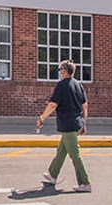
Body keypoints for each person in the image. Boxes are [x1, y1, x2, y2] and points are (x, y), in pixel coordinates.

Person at [38, 59, 91, 192]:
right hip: (77, 123)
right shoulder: (78, 85)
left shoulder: (62, 85)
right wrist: (84, 123)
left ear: (65, 71)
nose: (60, 72)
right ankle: (52, 175)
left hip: (68, 125)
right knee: (61, 151)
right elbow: (85, 106)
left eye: (60, 70)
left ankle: (85, 183)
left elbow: (52, 105)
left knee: (75, 155)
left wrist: (42, 118)